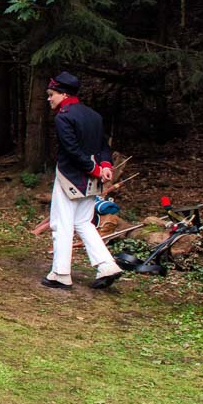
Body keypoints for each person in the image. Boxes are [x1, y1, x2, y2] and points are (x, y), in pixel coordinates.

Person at [43, 72, 124, 290]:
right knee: (83, 223)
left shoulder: (63, 117)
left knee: (61, 224)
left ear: (63, 93)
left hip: (70, 176)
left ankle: (60, 273)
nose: (49, 98)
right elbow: (103, 146)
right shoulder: (93, 115)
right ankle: (107, 265)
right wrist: (105, 166)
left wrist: (96, 169)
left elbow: (71, 151)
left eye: (51, 94)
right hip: (90, 178)